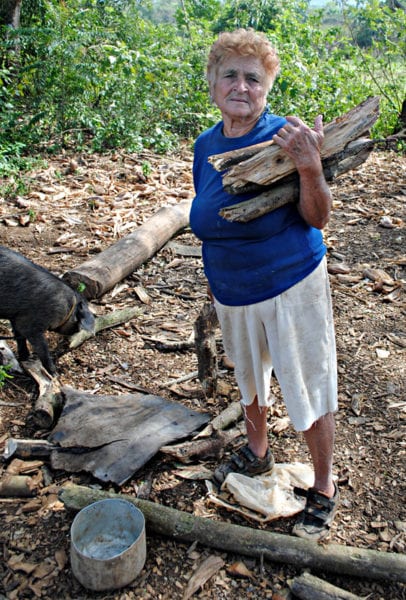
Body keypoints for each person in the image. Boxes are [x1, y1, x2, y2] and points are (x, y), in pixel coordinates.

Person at [189, 28, 339, 541]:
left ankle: (324, 485)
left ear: (266, 88)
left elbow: (316, 218)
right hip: (232, 292)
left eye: (253, 78)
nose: (241, 85)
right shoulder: (205, 146)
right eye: (229, 74)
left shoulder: (287, 137)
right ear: (212, 84)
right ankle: (257, 452)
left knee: (307, 386)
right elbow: (212, 216)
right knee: (250, 379)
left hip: (290, 283)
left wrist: (309, 165)